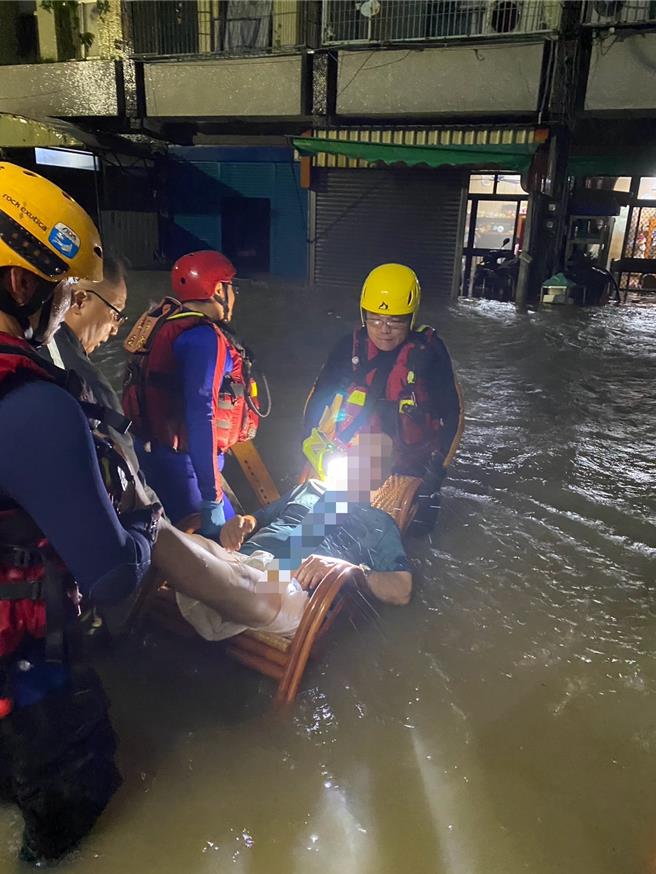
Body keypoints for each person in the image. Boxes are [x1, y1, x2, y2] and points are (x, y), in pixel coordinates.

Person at [0, 163, 160, 864]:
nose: (67, 314)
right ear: (21, 283)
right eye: (67, 296)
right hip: (21, 683)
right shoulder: (35, 406)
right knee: (75, 797)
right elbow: (113, 578)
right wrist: (146, 530)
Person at [150, 433, 412, 643]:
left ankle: (150, 528)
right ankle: (150, 526)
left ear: (382, 477)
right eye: (356, 452)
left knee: (249, 582)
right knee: (200, 547)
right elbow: (258, 518)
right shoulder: (312, 488)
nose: (358, 460)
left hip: (288, 582)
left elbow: (402, 590)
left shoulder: (380, 523)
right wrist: (242, 522)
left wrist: (351, 570)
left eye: (370, 459)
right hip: (242, 558)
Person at [303, 262, 463, 534]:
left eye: (395, 320)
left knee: (418, 530)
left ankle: (285, 566)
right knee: (312, 519)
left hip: (410, 462)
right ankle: (284, 566)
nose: (384, 329)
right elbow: (318, 399)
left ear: (411, 318)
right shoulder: (348, 348)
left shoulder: (429, 354)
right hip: (355, 455)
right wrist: (308, 450)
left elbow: (452, 414)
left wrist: (435, 477)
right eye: (375, 318)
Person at [122, 250, 262, 538]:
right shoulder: (206, 339)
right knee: (235, 552)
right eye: (230, 287)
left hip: (153, 458)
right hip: (189, 473)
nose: (233, 294)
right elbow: (202, 416)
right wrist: (212, 497)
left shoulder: (170, 324)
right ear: (217, 290)